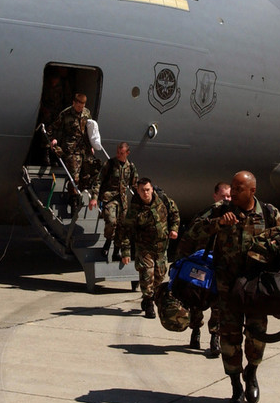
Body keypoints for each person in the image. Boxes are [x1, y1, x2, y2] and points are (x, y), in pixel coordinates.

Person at [191, 170, 280, 403]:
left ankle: (251, 373)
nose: (232, 192)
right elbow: (194, 231)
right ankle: (235, 386)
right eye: (231, 187)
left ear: (252, 191)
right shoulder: (220, 210)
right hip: (227, 288)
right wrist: (218, 224)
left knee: (256, 336)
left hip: (256, 287)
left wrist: (271, 245)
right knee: (229, 339)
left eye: (238, 188)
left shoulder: (268, 213)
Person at [177, 182, 231, 356]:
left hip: (220, 266)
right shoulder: (205, 216)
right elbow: (190, 237)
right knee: (197, 301)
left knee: (218, 305)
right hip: (201, 265)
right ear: (215, 196)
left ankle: (215, 337)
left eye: (229, 196)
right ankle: (195, 330)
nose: (226, 200)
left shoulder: (233, 217)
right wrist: (181, 263)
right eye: (223, 196)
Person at [119, 178, 180, 318]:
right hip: (144, 247)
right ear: (138, 191)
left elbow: (175, 214)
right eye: (142, 190)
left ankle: (150, 296)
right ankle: (149, 302)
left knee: (159, 275)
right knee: (147, 274)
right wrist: (126, 252)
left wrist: (174, 229)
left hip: (161, 247)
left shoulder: (163, 200)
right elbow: (126, 231)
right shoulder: (134, 209)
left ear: (152, 189)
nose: (145, 193)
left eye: (147, 190)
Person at [89, 141, 138, 257]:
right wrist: (94, 198)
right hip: (109, 198)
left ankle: (116, 251)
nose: (118, 155)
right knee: (111, 222)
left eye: (121, 153)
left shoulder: (130, 167)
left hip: (122, 200)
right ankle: (107, 242)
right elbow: (98, 181)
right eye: (117, 152)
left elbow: (134, 184)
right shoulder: (109, 164)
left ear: (127, 153)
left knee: (122, 226)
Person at [48, 92, 91, 192]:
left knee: (87, 176)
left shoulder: (86, 113)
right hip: (70, 149)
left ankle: (76, 193)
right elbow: (53, 128)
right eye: (78, 106)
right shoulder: (65, 114)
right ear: (73, 103)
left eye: (82, 106)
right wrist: (53, 139)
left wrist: (92, 145)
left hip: (83, 149)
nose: (80, 109)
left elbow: (90, 130)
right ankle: (73, 199)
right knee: (74, 177)